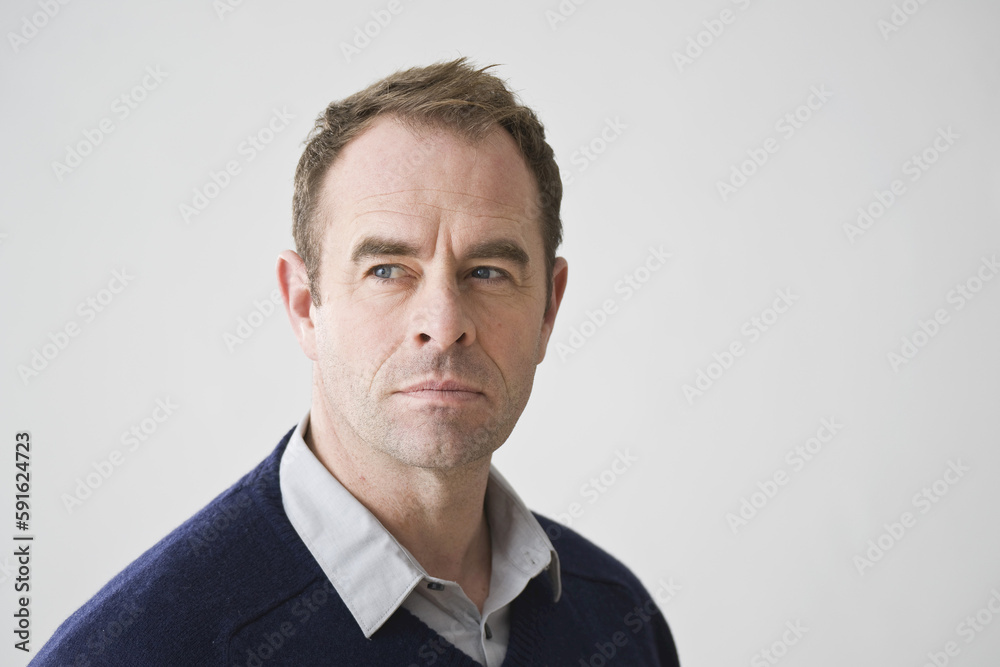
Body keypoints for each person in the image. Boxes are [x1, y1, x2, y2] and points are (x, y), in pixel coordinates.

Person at [31, 58, 680, 666]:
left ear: (548, 309)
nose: (443, 324)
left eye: (487, 270)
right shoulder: (137, 649)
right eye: (388, 270)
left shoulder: (619, 619)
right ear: (304, 304)